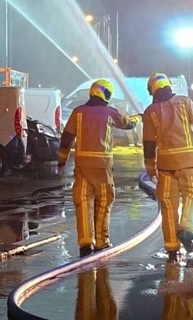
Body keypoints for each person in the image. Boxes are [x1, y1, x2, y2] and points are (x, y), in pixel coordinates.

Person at [57, 79, 138, 257]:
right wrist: (138, 117)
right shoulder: (109, 112)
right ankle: (102, 242)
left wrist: (62, 160)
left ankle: (85, 243)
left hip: (82, 167)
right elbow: (127, 124)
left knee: (83, 203)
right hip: (102, 168)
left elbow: (66, 138)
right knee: (103, 202)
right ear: (105, 94)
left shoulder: (78, 113)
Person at [142, 73, 193, 263]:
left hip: (165, 167)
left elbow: (148, 145)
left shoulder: (150, 111)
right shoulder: (184, 102)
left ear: (152, 90)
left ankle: (172, 249)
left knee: (168, 207)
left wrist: (150, 169)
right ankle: (185, 227)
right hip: (189, 163)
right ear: (168, 86)